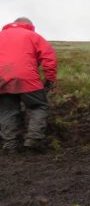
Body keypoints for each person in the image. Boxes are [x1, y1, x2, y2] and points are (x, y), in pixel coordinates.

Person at [0, 17, 58, 151]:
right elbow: (49, 58)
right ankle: (33, 139)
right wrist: (50, 80)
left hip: (2, 78)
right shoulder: (34, 36)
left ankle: (10, 144)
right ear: (29, 26)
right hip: (28, 78)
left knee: (7, 111)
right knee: (38, 106)